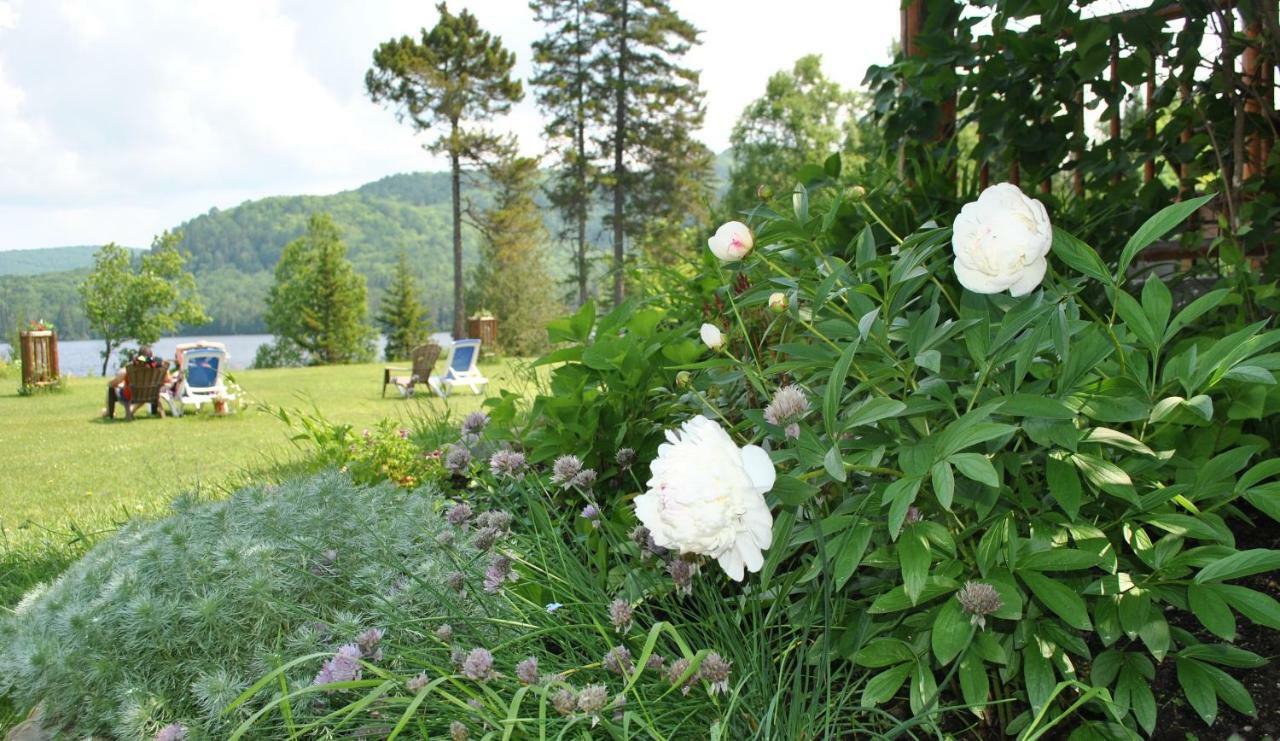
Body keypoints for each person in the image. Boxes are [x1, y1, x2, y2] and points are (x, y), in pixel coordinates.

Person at [103, 346, 168, 419]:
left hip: (130, 395)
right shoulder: (156, 367)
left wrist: (110, 383)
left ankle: (109, 413)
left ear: (139, 355)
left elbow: (113, 383)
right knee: (120, 386)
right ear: (151, 356)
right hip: (150, 393)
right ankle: (148, 411)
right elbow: (160, 362)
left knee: (111, 388)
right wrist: (150, 360)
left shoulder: (132, 367)